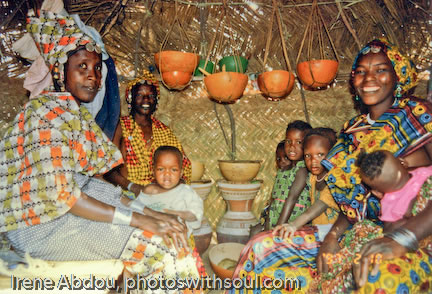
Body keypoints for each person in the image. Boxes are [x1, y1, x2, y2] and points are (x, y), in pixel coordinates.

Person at [0, 3, 201, 288]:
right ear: (60, 71)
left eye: (96, 68)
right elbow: (66, 197)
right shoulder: (45, 115)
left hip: (61, 216)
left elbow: (89, 185)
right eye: (81, 66)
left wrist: (152, 213)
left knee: (173, 229)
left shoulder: (72, 114)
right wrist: (140, 221)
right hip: (38, 227)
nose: (93, 76)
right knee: (159, 244)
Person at [230, 39, 432, 293]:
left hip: (420, 231)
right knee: (260, 246)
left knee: (377, 276)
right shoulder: (351, 131)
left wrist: (403, 238)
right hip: (363, 231)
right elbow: (351, 200)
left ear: (397, 75)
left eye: (380, 69)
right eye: (361, 71)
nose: (369, 78)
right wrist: (332, 238)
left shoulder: (417, 114)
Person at [104, 70, 192, 197]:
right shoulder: (120, 127)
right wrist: (133, 187)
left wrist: (173, 190)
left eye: (151, 96)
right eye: (140, 95)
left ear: (156, 101)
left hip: (160, 193)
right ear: (130, 99)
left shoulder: (164, 131)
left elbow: (184, 166)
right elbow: (108, 167)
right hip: (127, 192)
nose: (146, 100)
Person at [273, 128, 339, 242]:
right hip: (316, 231)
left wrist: (293, 225)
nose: (313, 161)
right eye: (308, 156)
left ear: (333, 154)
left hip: (333, 234)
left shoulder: (335, 181)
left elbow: (315, 208)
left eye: (320, 155)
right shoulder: (313, 178)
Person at [124, 146, 203, 237]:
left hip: (177, 242)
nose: (167, 174)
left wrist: (176, 214)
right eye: (161, 169)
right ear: (153, 171)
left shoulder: (186, 192)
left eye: (174, 170)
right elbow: (136, 210)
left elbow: (195, 217)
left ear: (181, 173)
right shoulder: (149, 191)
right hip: (148, 239)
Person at [267, 120, 312, 229]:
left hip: (290, 221)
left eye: (298, 142)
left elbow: (292, 198)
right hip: (277, 216)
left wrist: (278, 227)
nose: (292, 146)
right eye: (288, 141)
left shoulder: (302, 169)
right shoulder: (285, 169)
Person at [248, 140, 291, 237]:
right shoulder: (280, 176)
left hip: (285, 220)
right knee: (254, 231)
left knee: (262, 234)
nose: (282, 161)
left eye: (286, 157)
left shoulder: (295, 175)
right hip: (273, 216)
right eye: (279, 159)